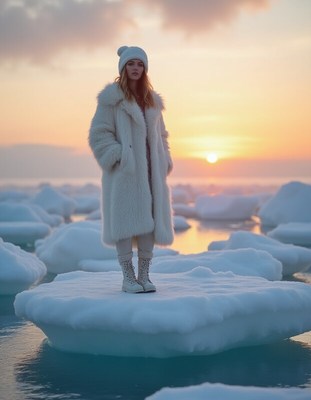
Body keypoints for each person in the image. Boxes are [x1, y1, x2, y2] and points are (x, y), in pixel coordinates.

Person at [89, 46, 174, 293]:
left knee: (149, 221)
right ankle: (128, 278)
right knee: (125, 222)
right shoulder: (112, 100)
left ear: (145, 68)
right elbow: (99, 134)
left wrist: (165, 159)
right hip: (125, 172)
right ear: (123, 68)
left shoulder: (153, 101)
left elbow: (163, 135)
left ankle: (144, 276)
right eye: (131, 64)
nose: (135, 68)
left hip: (151, 172)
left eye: (140, 64)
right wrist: (118, 156)